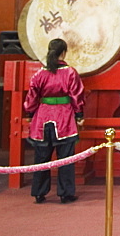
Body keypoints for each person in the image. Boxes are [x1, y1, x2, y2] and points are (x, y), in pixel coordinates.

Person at [23, 38, 86, 204]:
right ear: (64, 52)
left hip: (42, 117)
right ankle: (65, 193)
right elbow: (76, 95)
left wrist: (29, 113)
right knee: (65, 157)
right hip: (63, 117)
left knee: (41, 157)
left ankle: (39, 192)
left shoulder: (40, 74)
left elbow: (31, 97)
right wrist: (79, 115)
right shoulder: (70, 72)